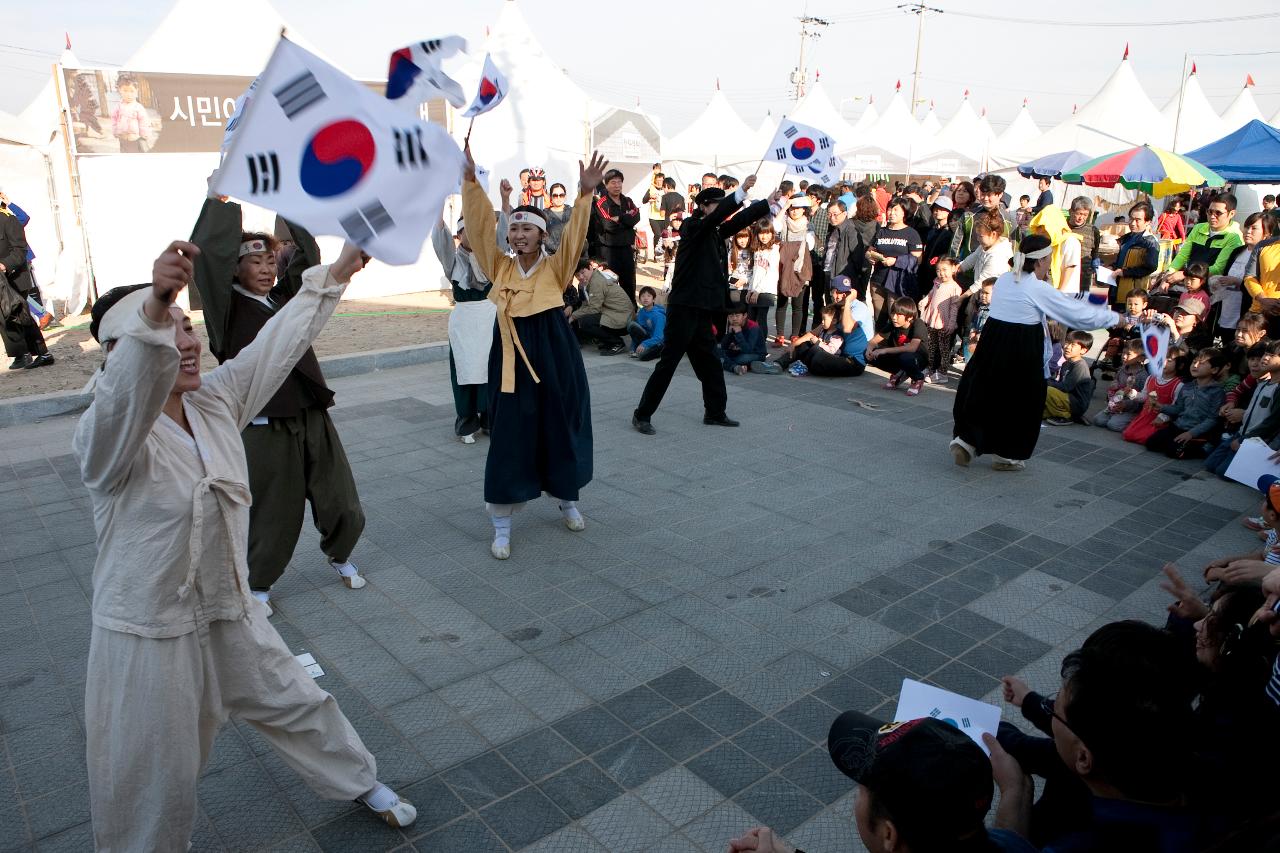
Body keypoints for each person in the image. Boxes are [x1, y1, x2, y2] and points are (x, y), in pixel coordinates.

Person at [75, 240, 418, 850]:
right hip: (149, 631)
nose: (184, 341)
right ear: (119, 352)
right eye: (164, 332)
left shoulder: (214, 402)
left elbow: (275, 346)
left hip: (231, 610)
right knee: (152, 772)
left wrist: (336, 272)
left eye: (187, 326)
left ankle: (358, 780)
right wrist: (152, 307)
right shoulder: (109, 436)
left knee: (300, 702)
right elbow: (124, 395)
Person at [190, 194, 367, 612]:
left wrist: (291, 201)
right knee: (274, 508)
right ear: (235, 268)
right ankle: (259, 583)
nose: (267, 269)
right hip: (264, 419)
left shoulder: (285, 299)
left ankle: (340, 554)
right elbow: (209, 259)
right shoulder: (225, 310)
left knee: (341, 497)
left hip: (309, 408)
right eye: (255, 262)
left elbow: (308, 259)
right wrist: (220, 202)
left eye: (271, 261)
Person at [461, 145, 609, 559]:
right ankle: (502, 524)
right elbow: (476, 229)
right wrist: (471, 184)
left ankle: (568, 497)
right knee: (509, 434)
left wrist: (584, 195)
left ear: (543, 234)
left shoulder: (555, 268)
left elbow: (577, 235)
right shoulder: (500, 267)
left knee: (561, 424)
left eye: (528, 230)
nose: (519, 235)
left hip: (554, 354)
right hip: (509, 358)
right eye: (514, 229)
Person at [990, 621, 1210, 853]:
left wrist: (1014, 792)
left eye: (1055, 709)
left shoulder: (1083, 845)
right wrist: (1030, 702)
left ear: (1084, 759)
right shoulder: (1196, 768)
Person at [951, 234, 1119, 471]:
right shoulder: (1037, 288)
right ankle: (1006, 455)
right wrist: (1117, 318)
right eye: (1050, 258)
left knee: (984, 390)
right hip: (1022, 346)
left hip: (992, 341)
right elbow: (1075, 314)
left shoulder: (1005, 280)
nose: (1051, 263)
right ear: (1040, 261)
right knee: (1023, 400)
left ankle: (966, 441)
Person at [633, 176, 781, 435]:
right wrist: (741, 192)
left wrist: (764, 204)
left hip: (703, 310)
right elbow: (718, 217)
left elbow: (737, 221)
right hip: (683, 308)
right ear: (703, 206)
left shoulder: (714, 231)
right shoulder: (692, 226)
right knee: (668, 364)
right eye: (716, 205)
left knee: (711, 363)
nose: (720, 210)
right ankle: (642, 415)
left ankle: (714, 412)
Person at [432, 213, 499, 444]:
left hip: (490, 317)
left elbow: (502, 235)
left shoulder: (490, 258)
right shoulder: (453, 261)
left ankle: (490, 418)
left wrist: (504, 203)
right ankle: (467, 421)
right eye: (466, 231)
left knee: (491, 369)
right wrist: (438, 214)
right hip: (465, 321)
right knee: (465, 371)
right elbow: (441, 242)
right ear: (459, 235)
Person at [1204, 340, 1280, 477]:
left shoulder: (1277, 389)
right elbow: (1237, 393)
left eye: (1272, 355)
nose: (1265, 358)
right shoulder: (1263, 383)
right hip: (1241, 433)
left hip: (1258, 441)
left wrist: (1244, 440)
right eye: (1266, 354)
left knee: (1223, 472)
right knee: (1210, 465)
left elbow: (1272, 423)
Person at [772, 276, 872, 377]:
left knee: (818, 357)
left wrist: (848, 302)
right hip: (836, 353)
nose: (839, 296)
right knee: (804, 344)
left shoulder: (858, 308)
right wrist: (793, 345)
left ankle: (805, 364)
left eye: (844, 293)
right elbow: (815, 331)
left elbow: (847, 328)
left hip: (853, 361)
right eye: (836, 292)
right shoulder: (836, 307)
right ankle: (778, 364)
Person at [1144, 347, 1229, 458]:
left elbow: (1212, 419)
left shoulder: (1217, 392)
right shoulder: (1187, 387)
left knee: (1173, 451)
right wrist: (1161, 407)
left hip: (1198, 432)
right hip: (1179, 426)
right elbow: (1179, 408)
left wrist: (1191, 433)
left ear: (1214, 370)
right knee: (1151, 443)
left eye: (1201, 363)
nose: (1195, 365)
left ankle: (1204, 447)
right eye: (1194, 362)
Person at [0, 207, 51, 369]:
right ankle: (21, 354)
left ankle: (43, 353)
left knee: (21, 314)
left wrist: (4, 265)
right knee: (4, 318)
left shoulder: (9, 219)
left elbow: (20, 250)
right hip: (1, 280)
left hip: (15, 277)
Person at [1166, 193, 1244, 286]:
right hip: (1191, 284)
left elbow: (1218, 268)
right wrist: (1169, 273)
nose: (1212, 216)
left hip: (1213, 288)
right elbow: (1182, 256)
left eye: (1218, 213)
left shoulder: (1234, 237)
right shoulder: (1198, 228)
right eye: (1210, 211)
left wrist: (1185, 274)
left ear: (1231, 214)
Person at [588, 168, 640, 303]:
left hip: (626, 249)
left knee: (629, 283)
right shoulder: (601, 203)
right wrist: (626, 221)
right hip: (608, 251)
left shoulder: (628, 201)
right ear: (606, 185)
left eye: (619, 182)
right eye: (613, 182)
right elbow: (608, 226)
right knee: (609, 284)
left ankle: (630, 312)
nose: (617, 186)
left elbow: (636, 217)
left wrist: (619, 218)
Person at [866, 198, 923, 319]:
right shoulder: (881, 231)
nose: (891, 212)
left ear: (904, 212)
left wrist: (896, 261)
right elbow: (869, 250)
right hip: (878, 281)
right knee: (879, 318)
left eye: (896, 209)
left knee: (896, 318)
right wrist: (870, 256)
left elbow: (917, 259)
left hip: (898, 284)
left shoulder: (911, 234)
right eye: (890, 209)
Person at [1217, 211, 1271, 335]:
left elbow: (1261, 286)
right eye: (1247, 227)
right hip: (1227, 309)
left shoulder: (1265, 256)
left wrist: (1238, 282)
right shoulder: (1238, 251)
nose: (1248, 231)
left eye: (1254, 228)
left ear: (1266, 234)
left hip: (1247, 313)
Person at [1123, 343, 1187, 446]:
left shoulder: (1178, 385)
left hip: (1159, 419)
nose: (1163, 362)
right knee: (1128, 435)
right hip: (1145, 415)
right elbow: (1144, 396)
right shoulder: (1151, 378)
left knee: (1146, 438)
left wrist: (1162, 418)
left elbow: (1175, 406)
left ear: (1180, 365)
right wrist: (1132, 393)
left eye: (1169, 361)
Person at [866, 297, 929, 396]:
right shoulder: (892, 324)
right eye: (893, 313)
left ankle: (918, 378)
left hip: (917, 359)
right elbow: (873, 341)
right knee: (870, 354)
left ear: (910, 316)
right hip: (899, 357)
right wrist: (869, 350)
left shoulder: (918, 324)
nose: (894, 317)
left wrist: (885, 350)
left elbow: (912, 348)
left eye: (899, 315)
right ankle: (899, 373)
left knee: (906, 358)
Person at [570, 258, 634, 355]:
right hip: (620, 315)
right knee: (586, 318)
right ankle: (609, 341)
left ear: (590, 268)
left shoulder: (596, 282)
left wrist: (573, 316)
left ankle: (616, 343)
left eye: (583, 272)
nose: (581, 277)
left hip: (623, 320)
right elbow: (589, 304)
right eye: (578, 275)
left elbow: (594, 308)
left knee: (586, 322)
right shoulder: (594, 278)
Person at [774, 195, 814, 345]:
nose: (794, 211)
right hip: (783, 266)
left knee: (798, 305)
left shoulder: (809, 225)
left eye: (798, 208)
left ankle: (795, 335)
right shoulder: (783, 222)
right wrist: (784, 206)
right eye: (792, 207)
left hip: (800, 268)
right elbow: (775, 226)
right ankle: (779, 335)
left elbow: (810, 245)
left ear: (804, 209)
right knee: (782, 303)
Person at [918, 256, 963, 384]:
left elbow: (954, 308)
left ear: (953, 269)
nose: (941, 273)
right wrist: (925, 301)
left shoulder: (955, 288)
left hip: (944, 322)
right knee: (931, 345)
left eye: (944, 269)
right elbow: (931, 294)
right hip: (933, 319)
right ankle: (931, 368)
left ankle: (942, 372)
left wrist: (951, 323)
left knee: (944, 348)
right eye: (938, 270)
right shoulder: (937, 282)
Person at [1107, 201, 1160, 306]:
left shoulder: (1150, 242)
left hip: (1134, 295)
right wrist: (1111, 267)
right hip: (1116, 289)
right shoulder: (1126, 238)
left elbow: (1150, 267)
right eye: (1131, 218)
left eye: (1137, 220)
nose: (1132, 223)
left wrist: (1125, 272)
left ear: (1147, 221)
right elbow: (1121, 261)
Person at [1092, 339, 1149, 432]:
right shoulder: (1122, 369)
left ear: (1141, 358)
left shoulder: (1142, 376)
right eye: (1123, 353)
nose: (1124, 356)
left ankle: (1134, 422)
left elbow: (1141, 399)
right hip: (1116, 402)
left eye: (1129, 354)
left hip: (1131, 409)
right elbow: (1116, 382)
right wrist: (1114, 386)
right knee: (1098, 420)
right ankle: (1116, 414)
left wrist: (1125, 405)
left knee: (1113, 425)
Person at [1043, 330, 1096, 425]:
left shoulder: (1080, 366)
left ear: (1083, 350)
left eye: (1073, 345)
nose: (1067, 347)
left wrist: (1046, 382)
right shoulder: (1066, 363)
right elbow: (1059, 383)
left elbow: (1065, 387)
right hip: (1064, 399)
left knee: (1047, 390)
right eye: (1067, 343)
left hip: (1075, 403)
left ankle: (1067, 416)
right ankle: (1062, 413)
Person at [1028, 204, 1082, 293]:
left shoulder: (1070, 241)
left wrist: (1059, 292)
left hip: (1065, 294)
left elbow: (1070, 267)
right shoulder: (1050, 243)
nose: (1041, 233)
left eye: (1044, 230)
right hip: (1049, 292)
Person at [919, 196, 958, 296]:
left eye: (942, 209)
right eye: (936, 209)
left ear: (949, 212)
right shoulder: (932, 230)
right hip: (927, 270)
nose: (938, 211)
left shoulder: (950, 232)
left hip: (940, 271)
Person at [717, 305, 766, 375]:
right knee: (716, 351)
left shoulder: (753, 327)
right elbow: (723, 346)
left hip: (756, 354)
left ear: (744, 315)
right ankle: (737, 367)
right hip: (739, 351)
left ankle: (733, 366)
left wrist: (739, 333)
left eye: (737, 316)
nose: (734, 319)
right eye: (731, 316)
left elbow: (748, 350)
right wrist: (729, 334)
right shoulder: (733, 325)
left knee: (739, 359)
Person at [1066, 197, 1101, 293]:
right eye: (1079, 214)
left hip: (1083, 278)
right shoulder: (1062, 227)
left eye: (1085, 215)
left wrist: (1095, 263)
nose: (1081, 218)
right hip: (1063, 276)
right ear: (1070, 211)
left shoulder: (1093, 231)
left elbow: (1095, 252)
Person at [111, 73, 152, 153]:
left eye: (132, 91)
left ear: (136, 91)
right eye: (125, 91)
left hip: (136, 138)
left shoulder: (138, 107)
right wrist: (115, 130)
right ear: (120, 90)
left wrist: (144, 133)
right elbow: (114, 119)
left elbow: (143, 121)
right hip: (122, 137)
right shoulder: (118, 107)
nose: (128, 94)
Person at [628, 285, 665, 360]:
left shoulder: (658, 315)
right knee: (631, 325)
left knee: (642, 356)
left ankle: (658, 352)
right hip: (649, 339)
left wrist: (644, 344)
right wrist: (633, 348)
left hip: (660, 342)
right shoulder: (641, 312)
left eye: (649, 296)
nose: (645, 298)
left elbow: (659, 337)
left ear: (653, 299)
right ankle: (641, 350)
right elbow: (638, 333)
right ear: (639, 300)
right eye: (643, 296)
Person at [642, 170, 667, 262]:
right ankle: (656, 254)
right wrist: (650, 197)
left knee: (664, 235)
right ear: (655, 180)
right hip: (653, 216)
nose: (659, 182)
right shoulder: (651, 189)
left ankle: (662, 254)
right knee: (657, 234)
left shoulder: (666, 189)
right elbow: (643, 200)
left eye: (661, 180)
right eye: (658, 180)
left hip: (664, 216)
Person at [543, 183, 574, 254]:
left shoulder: (573, 212)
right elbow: (544, 237)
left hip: (571, 255)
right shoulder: (544, 214)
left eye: (561, 195)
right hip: (552, 256)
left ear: (565, 196)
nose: (558, 198)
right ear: (550, 197)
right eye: (555, 195)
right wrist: (558, 249)